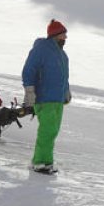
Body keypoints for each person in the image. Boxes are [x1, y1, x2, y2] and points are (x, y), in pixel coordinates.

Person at [22, 19, 71, 174]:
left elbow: (64, 77)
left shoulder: (62, 55)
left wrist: (66, 92)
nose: (65, 38)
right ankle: (42, 163)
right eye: (63, 35)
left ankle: (38, 160)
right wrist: (30, 92)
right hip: (45, 98)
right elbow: (29, 70)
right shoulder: (41, 49)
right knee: (48, 131)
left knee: (52, 131)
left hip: (57, 99)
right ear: (55, 35)